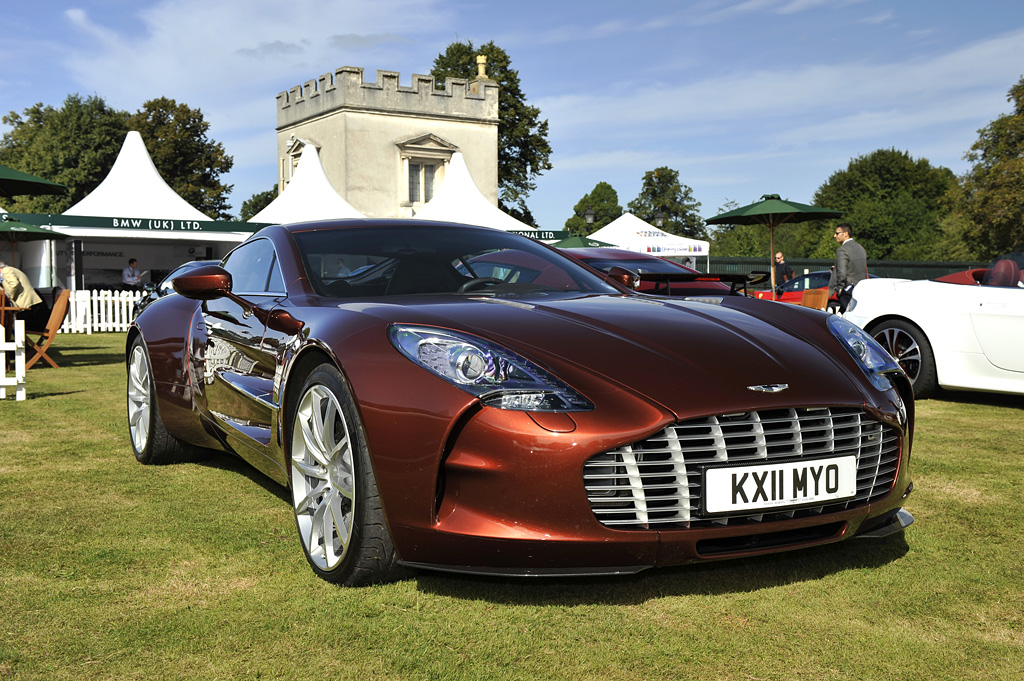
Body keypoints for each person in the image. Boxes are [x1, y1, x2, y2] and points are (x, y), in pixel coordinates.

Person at [0, 259, 51, 330]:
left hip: (25, 302)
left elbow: (14, 284)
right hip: (27, 301)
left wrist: (8, 297)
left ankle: (15, 340)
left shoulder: (6, 271)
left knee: (11, 324)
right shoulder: (10, 270)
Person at [829, 223, 868, 313]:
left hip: (847, 290)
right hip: (860, 288)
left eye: (837, 233)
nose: (834, 235)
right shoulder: (860, 248)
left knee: (847, 319)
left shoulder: (842, 250)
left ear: (845, 233)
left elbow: (842, 273)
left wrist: (839, 288)